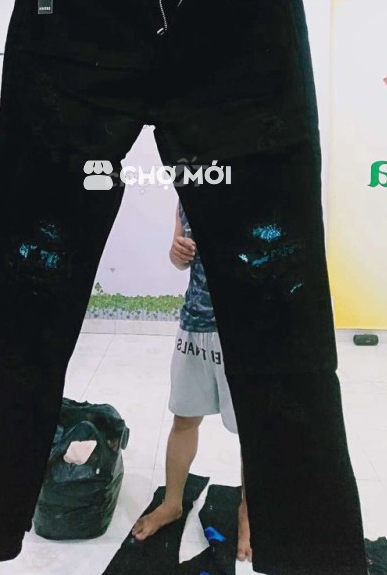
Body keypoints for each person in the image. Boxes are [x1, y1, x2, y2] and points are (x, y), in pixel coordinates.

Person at [132, 199, 252, 562]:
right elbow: (179, 258)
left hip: (242, 331)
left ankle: (249, 512)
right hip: (194, 324)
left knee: (251, 431)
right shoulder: (187, 195)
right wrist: (177, 253)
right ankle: (172, 503)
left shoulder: (252, 184)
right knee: (184, 419)